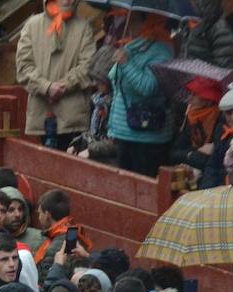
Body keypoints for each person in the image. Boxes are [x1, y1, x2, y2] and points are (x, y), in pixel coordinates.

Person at [14, 0, 93, 149]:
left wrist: (63, 86)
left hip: (73, 118)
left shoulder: (84, 28)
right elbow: (23, 67)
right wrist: (47, 87)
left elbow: (88, 67)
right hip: (42, 114)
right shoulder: (32, 26)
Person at [108, 13, 175, 176]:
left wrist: (126, 63)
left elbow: (148, 87)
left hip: (147, 138)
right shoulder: (133, 46)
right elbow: (115, 81)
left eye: (135, 20)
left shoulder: (162, 50)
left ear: (149, 22)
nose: (128, 23)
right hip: (125, 130)